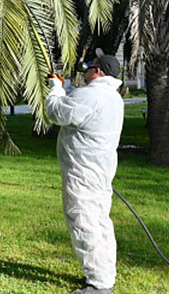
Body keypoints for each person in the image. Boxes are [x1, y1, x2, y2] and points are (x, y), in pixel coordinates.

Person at [45, 48, 125, 294]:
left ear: (97, 72)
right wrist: (64, 87)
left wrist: (55, 89)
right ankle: (103, 276)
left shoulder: (92, 97)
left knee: (84, 223)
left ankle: (99, 287)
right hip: (99, 172)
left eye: (91, 65)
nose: (87, 67)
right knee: (100, 223)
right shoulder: (109, 96)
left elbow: (56, 112)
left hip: (83, 174)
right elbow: (77, 107)